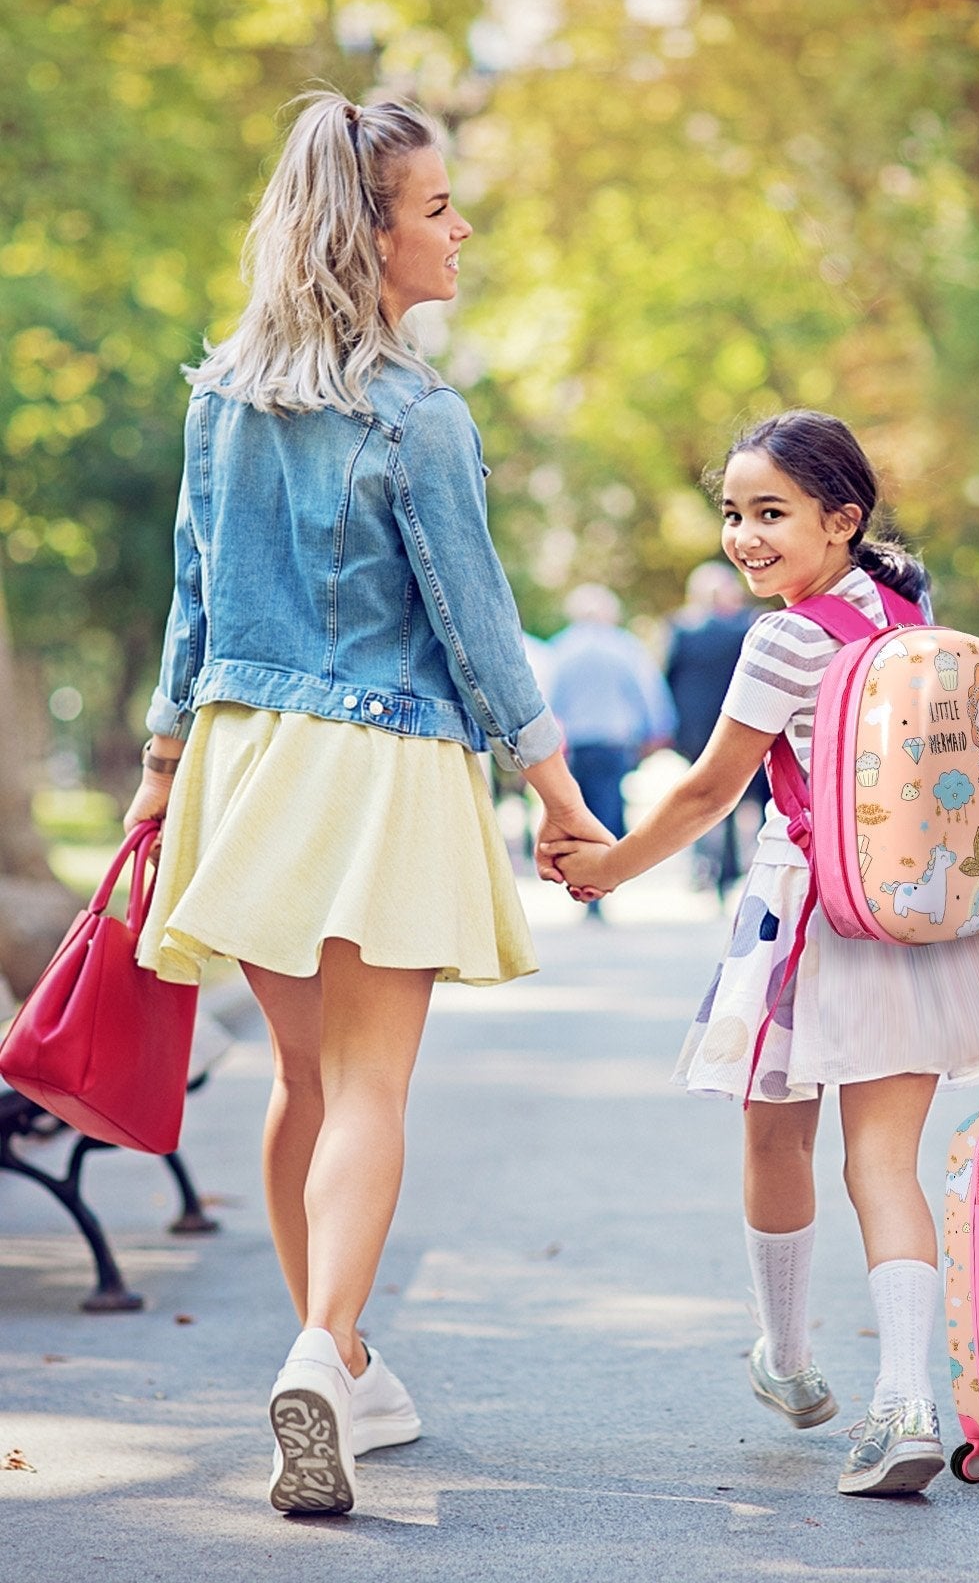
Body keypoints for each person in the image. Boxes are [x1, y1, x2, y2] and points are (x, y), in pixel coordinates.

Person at [121, 91, 611, 1516]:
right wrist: (558, 792)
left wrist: (162, 781)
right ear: (373, 235)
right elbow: (478, 623)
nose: (462, 230)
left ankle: (338, 1354)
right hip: (383, 764)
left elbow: (192, 607)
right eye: (438, 209)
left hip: (246, 763)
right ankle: (324, 1358)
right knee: (375, 1085)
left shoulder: (223, 398)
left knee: (301, 1080)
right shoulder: (414, 412)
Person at [551, 410, 979, 1498]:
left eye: (770, 513)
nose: (745, 537)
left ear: (840, 518)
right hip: (921, 915)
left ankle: (792, 1357)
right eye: (732, 513)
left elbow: (713, 788)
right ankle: (906, 1399)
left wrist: (607, 869)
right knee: (884, 1161)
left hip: (812, 913)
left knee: (776, 1137)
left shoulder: (787, 637)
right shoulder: (907, 611)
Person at [543, 583, 675, 918]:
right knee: (608, 806)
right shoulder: (624, 647)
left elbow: (547, 700)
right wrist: (657, 732)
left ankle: (583, 882)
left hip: (576, 746)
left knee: (577, 811)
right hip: (615, 743)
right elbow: (649, 694)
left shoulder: (562, 648)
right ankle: (601, 882)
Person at [664, 560, 769, 901]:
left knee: (702, 796)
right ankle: (732, 866)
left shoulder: (681, 630)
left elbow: (670, 679)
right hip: (740, 724)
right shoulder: (746, 630)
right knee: (739, 801)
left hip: (696, 730)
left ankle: (707, 866)